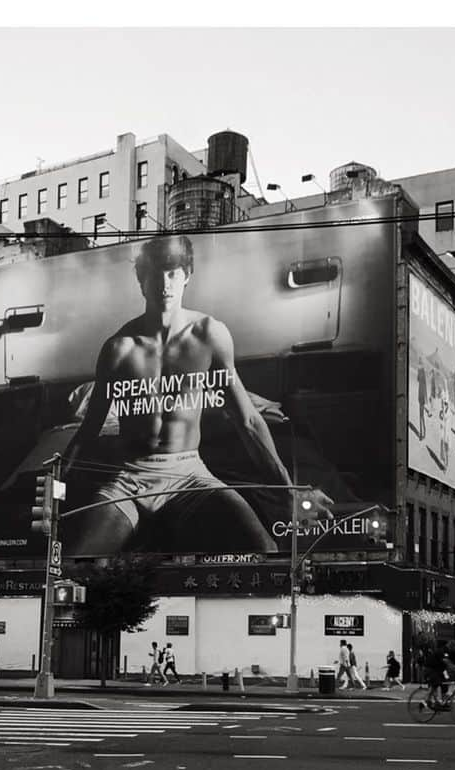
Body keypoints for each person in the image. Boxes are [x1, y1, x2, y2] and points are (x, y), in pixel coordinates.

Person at [60, 234, 333, 556]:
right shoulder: (118, 349)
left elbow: (247, 420)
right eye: (155, 273)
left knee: (264, 550)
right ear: (141, 281)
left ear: (187, 275)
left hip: (189, 472)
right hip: (131, 478)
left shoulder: (208, 334)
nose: (165, 283)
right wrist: (55, 487)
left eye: (173, 272)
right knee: (78, 563)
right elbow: (88, 430)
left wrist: (288, 492)